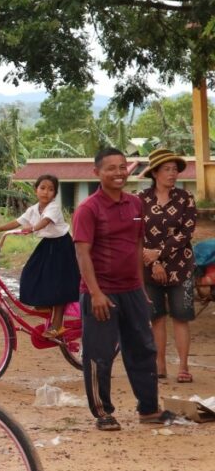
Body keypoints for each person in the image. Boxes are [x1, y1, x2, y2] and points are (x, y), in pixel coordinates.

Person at [71, 147, 174, 431]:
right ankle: (103, 412)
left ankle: (149, 409)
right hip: (100, 292)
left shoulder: (135, 204)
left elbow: (137, 246)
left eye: (122, 167)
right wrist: (95, 293)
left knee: (143, 348)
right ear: (97, 173)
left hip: (132, 291)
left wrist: (141, 288)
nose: (118, 173)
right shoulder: (88, 209)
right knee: (99, 355)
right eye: (111, 168)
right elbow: (82, 253)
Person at [0, 173, 81, 338]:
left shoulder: (53, 207)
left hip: (62, 246)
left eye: (51, 189)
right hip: (47, 245)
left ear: (54, 194)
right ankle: (44, 305)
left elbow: (45, 221)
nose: (46, 192)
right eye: (43, 188)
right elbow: (17, 222)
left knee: (59, 286)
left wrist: (32, 229)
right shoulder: (33, 210)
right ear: (36, 190)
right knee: (29, 274)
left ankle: (57, 326)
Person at [139, 148, 198, 383]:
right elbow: (136, 232)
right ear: (155, 173)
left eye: (175, 170)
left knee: (181, 316)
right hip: (148, 266)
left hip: (180, 266)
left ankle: (183, 366)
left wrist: (158, 255)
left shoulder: (185, 198)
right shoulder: (140, 199)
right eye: (167, 170)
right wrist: (151, 260)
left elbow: (186, 232)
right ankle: (159, 364)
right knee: (157, 318)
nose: (172, 174)